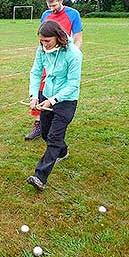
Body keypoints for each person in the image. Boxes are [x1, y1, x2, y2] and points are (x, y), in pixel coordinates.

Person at [26, 20, 82, 191]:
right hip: (46, 95)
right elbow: (35, 72)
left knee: (54, 137)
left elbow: (73, 84)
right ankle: (63, 152)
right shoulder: (42, 49)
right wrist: (34, 96)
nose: (44, 45)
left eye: (47, 41)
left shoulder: (73, 54)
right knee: (45, 132)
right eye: (41, 41)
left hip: (66, 100)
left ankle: (40, 177)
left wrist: (53, 100)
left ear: (58, 37)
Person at [25, 0, 83, 140]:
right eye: (49, 6)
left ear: (61, 0)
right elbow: (43, 36)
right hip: (48, 56)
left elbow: (78, 38)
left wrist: (70, 57)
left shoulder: (73, 14)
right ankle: (39, 124)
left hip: (63, 57)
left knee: (60, 89)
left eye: (55, 5)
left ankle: (58, 121)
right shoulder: (45, 15)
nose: (52, 9)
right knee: (41, 89)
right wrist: (44, 50)